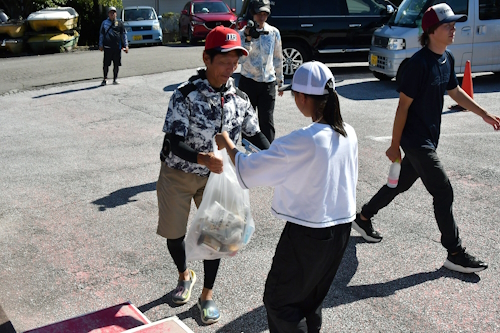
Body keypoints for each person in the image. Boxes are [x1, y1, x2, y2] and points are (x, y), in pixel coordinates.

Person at [352, 3, 500, 273]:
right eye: (448, 25)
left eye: (454, 24)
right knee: (443, 191)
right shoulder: (417, 65)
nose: (454, 28)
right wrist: (394, 144)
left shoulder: (447, 58)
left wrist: (483, 113)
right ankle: (454, 252)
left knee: (400, 185)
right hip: (416, 140)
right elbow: (402, 108)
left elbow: (455, 92)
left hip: (429, 139)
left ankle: (363, 217)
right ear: (432, 31)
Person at [215, 61, 358, 333]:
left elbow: (250, 171)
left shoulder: (303, 139)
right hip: (340, 229)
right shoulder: (347, 132)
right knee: (310, 300)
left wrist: (229, 145)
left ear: (303, 97)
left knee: (280, 302)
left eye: (295, 95)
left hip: (308, 234)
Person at [156, 26, 270, 325]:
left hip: (216, 179)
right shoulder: (185, 96)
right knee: (173, 234)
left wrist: (276, 157)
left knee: (216, 238)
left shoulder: (239, 98)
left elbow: (254, 133)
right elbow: (172, 142)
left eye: (234, 63)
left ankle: (206, 295)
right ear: (207, 58)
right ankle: (184, 274)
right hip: (179, 172)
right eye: (223, 62)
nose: (229, 69)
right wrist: (201, 158)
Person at [238, 0, 284, 143]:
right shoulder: (242, 33)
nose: (262, 17)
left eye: (265, 14)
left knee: (267, 120)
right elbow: (240, 59)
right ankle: (249, 153)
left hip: (268, 83)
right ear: (253, 14)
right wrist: (247, 39)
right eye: (259, 14)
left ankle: (269, 153)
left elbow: (277, 57)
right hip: (248, 81)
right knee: (248, 120)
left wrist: (280, 80)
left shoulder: (273, 32)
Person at [98, 6, 128, 86]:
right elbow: (101, 34)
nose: (112, 14)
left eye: (114, 12)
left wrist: (126, 46)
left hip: (117, 47)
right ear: (108, 14)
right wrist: (100, 44)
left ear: (116, 14)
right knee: (106, 64)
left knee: (116, 64)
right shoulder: (104, 23)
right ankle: (105, 79)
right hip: (107, 47)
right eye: (111, 12)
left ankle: (115, 79)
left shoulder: (120, 23)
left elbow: (124, 34)